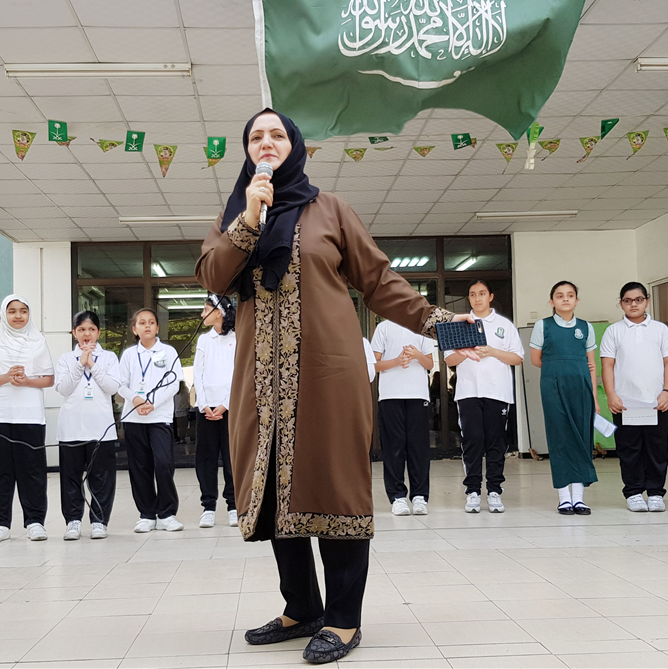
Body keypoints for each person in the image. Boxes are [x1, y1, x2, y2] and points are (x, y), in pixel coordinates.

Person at [196, 108, 476, 664]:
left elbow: (378, 281)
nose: (267, 142)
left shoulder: (330, 209)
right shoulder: (234, 213)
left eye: (277, 134)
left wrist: (439, 323)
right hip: (260, 384)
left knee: (335, 486)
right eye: (256, 136)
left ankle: (344, 620)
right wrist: (249, 217)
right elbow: (213, 277)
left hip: (328, 374)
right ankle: (302, 608)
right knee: (274, 492)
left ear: (295, 145)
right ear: (247, 150)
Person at [444, 280, 524, 514]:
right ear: (468, 298)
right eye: (472, 294)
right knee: (473, 440)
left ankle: (494, 491)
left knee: (496, 442)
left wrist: (492, 351)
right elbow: (449, 360)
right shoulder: (460, 324)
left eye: (481, 294)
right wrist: (466, 350)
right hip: (468, 393)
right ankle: (473, 491)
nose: (477, 298)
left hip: (497, 393)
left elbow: (517, 358)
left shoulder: (504, 325)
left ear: (490, 296)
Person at [0, 295, 55, 543]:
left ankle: (35, 522)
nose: (18, 316)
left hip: (30, 415)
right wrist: (6, 377)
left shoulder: (38, 342)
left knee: (32, 471)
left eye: (23, 310)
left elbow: (48, 379)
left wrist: (27, 381)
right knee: (0, 472)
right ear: (4, 314)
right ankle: (0, 523)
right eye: (12, 311)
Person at [601, 282, 668, 512]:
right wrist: (611, 395)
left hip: (656, 402)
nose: (633, 304)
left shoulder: (661, 330)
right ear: (621, 303)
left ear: (647, 301)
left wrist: (667, 391)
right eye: (627, 300)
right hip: (625, 403)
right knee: (629, 449)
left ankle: (655, 493)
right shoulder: (613, 331)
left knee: (657, 449)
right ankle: (633, 492)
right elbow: (607, 365)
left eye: (638, 300)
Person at [530, 281, 599, 515]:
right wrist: (559, 370)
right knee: (559, 438)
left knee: (581, 438)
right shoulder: (543, 325)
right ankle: (564, 498)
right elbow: (536, 360)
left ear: (577, 300)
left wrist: (594, 397)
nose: (565, 299)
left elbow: (591, 364)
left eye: (570, 295)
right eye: (559, 296)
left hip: (581, 388)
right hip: (553, 387)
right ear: (552, 301)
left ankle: (578, 498)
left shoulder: (586, 327)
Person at [54, 310, 120, 540]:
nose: (86, 334)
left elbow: (112, 387)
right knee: (71, 477)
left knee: (102, 478)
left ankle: (99, 521)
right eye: (81, 329)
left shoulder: (109, 358)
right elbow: (63, 388)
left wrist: (92, 364)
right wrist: (79, 364)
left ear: (99, 332)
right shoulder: (65, 359)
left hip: (101, 429)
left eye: (91, 329)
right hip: (71, 428)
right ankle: (73, 521)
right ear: (74, 333)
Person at [118, 308, 184, 533]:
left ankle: (166, 513)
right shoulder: (129, 355)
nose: (147, 326)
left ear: (157, 328)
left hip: (160, 417)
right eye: (142, 323)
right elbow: (120, 384)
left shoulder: (168, 351)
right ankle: (146, 514)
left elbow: (173, 384)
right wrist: (136, 400)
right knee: (139, 467)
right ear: (134, 329)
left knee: (163, 464)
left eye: (151, 322)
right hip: (134, 418)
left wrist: (152, 403)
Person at [371, 319, 435, 517]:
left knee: (419, 448)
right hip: (390, 396)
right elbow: (374, 364)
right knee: (393, 448)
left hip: (418, 395)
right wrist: (397, 361)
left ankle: (419, 497)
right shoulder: (383, 327)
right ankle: (397, 497)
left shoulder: (422, 327)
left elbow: (430, 363)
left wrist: (417, 355)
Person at [193, 294, 238, 529]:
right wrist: (204, 405)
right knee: (206, 459)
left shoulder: (237, 338)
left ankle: (233, 506)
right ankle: (208, 507)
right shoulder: (203, 340)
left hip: (230, 408)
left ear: (219, 312)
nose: (202, 314)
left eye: (206, 309)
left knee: (232, 459)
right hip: (206, 409)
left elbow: (238, 374)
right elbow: (197, 374)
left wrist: (225, 404)